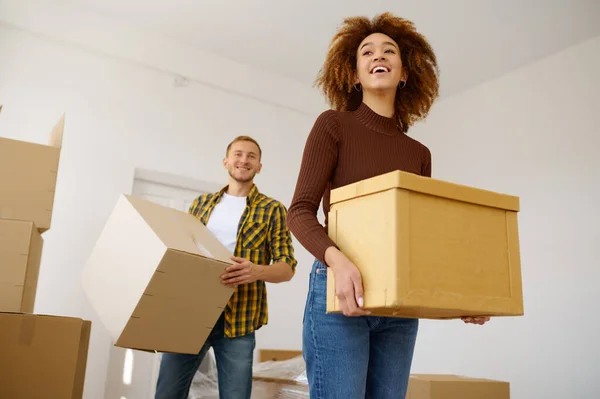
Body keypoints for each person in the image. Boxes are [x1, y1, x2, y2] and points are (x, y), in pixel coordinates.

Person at [287, 12, 490, 399]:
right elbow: (298, 211)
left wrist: (462, 297)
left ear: (404, 74)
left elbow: (421, 238)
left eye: (388, 50)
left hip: (399, 304)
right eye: (367, 51)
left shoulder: (418, 153)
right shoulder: (333, 125)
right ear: (354, 75)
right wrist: (337, 260)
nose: (378, 55)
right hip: (338, 290)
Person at [155, 135, 297, 399]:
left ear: (259, 166)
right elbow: (182, 252)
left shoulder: (273, 209)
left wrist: (256, 271)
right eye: (238, 154)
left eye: (251, 156)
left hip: (239, 319)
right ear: (226, 161)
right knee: (167, 393)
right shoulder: (201, 205)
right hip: (191, 314)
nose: (244, 160)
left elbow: (287, 267)